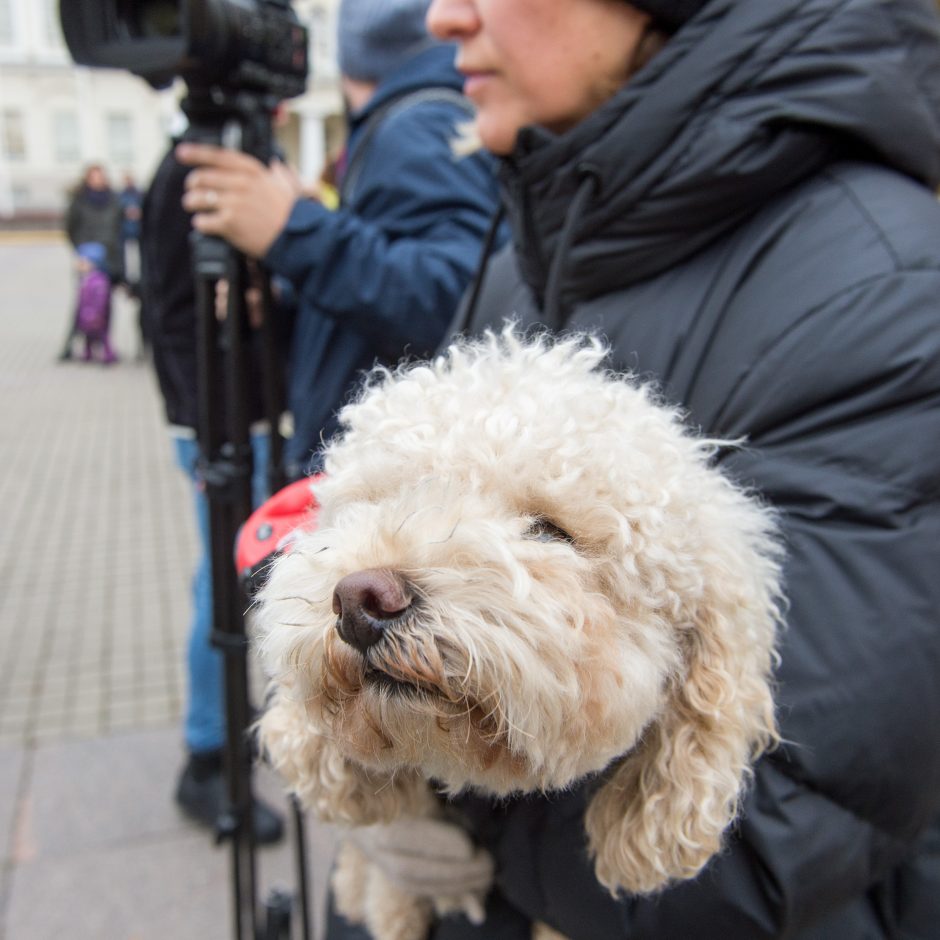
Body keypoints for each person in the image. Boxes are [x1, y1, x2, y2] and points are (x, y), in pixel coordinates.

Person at [318, 0, 940, 938]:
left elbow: (773, 826)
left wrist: (440, 801)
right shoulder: (533, 236)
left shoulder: (886, 287)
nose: (443, 17)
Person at [176, 0, 504, 480]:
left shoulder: (417, 123)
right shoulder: (415, 117)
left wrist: (292, 229)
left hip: (383, 479)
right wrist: (283, 300)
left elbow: (455, 298)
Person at [140, 144, 284, 845]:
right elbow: (167, 314)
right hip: (220, 426)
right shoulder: (187, 169)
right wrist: (208, 431)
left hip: (252, 419)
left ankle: (229, 725)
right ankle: (206, 755)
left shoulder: (254, 152)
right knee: (223, 587)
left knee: (237, 581)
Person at [59, 164, 124, 361]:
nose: (98, 179)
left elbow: (119, 230)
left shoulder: (114, 200)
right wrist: (81, 253)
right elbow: (70, 228)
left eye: (101, 176)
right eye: (94, 176)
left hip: (109, 259)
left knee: (105, 305)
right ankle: (76, 345)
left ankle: (105, 345)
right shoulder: (80, 201)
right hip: (87, 260)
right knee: (84, 304)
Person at [72, 242, 117, 365]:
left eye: (82, 262)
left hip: (97, 315)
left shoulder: (99, 281)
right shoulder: (84, 279)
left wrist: (97, 313)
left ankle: (108, 353)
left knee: (103, 336)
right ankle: (88, 353)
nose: (77, 265)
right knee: (88, 336)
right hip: (85, 312)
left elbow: (101, 299)